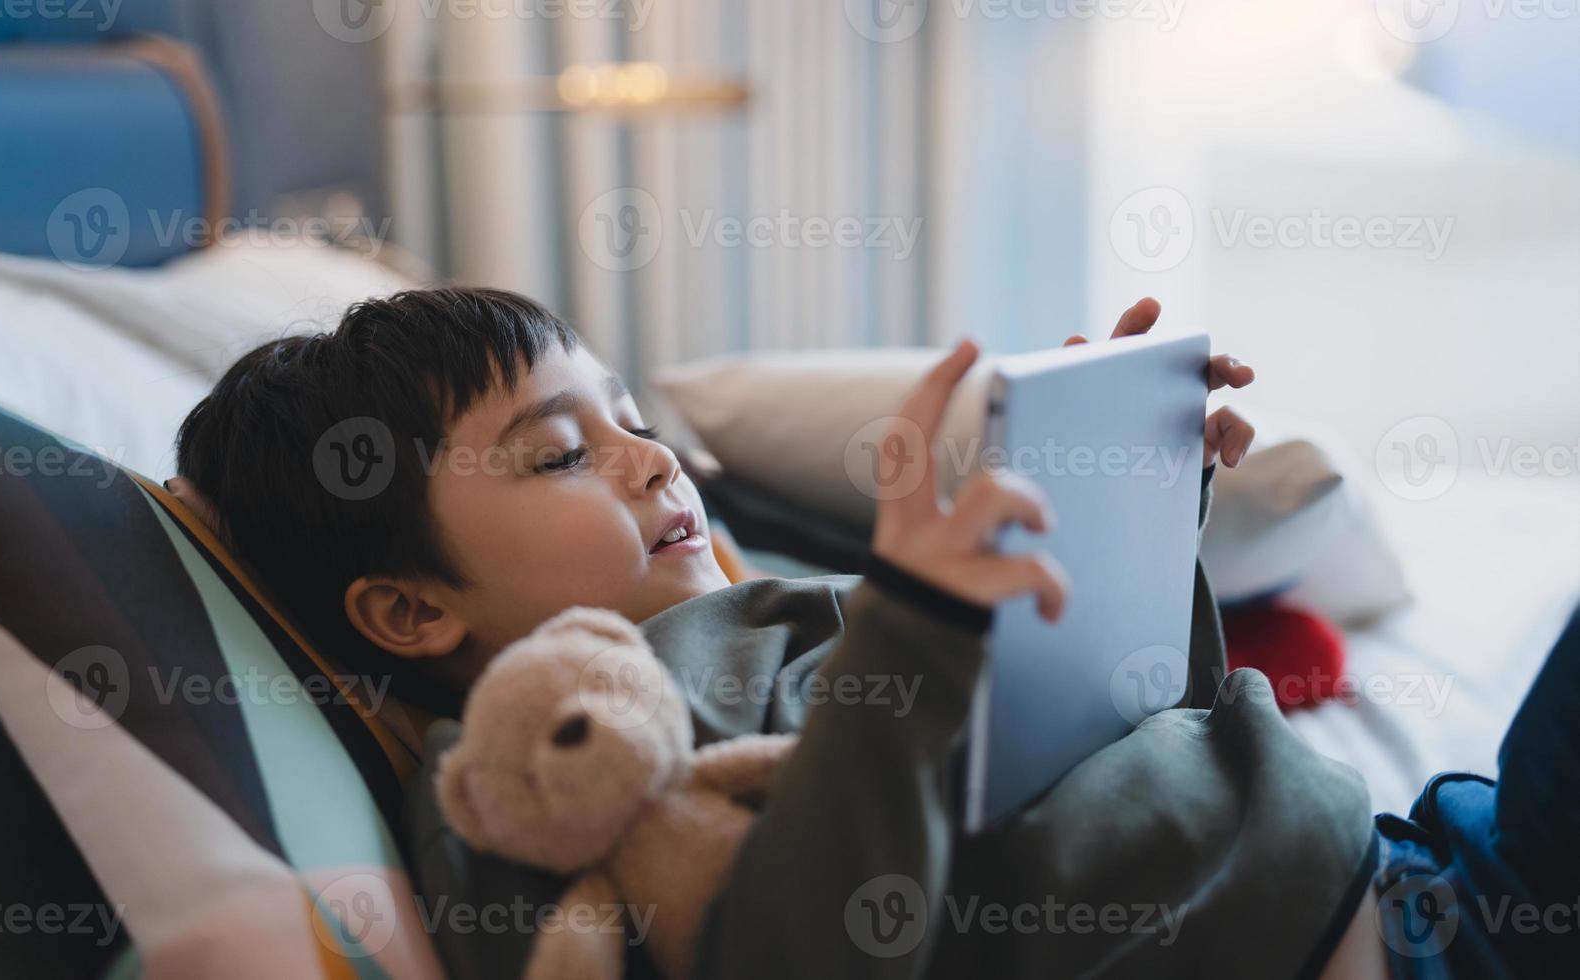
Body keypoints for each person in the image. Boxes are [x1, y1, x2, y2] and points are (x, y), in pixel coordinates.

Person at [171, 287, 1569, 979]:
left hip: (1419, 863)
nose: (651, 461)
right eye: (556, 456)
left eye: (630, 420)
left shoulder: (764, 609)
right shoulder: (529, 781)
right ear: (413, 610)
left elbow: (1146, 727)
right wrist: (911, 629)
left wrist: (1141, 517)